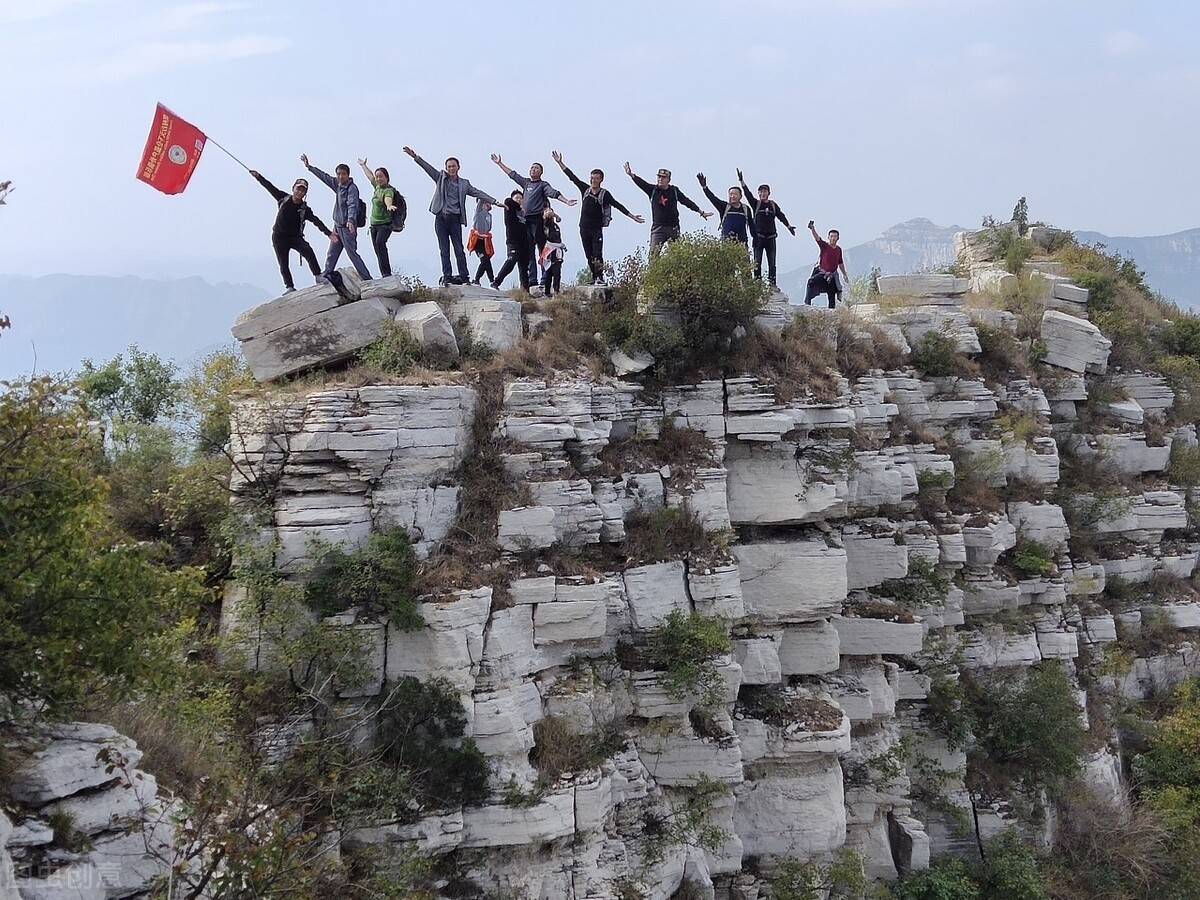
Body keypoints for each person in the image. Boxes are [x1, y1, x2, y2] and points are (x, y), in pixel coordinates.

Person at [403, 146, 501, 285]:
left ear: (458, 167)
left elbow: (477, 192)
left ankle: (464, 276)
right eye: (448, 167)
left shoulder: (464, 183)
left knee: (459, 249)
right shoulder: (440, 178)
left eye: (453, 166)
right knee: (444, 249)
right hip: (441, 218)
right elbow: (427, 168)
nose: (451, 169)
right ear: (446, 168)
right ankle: (447, 276)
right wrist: (415, 157)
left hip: (455, 219)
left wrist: (495, 202)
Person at [551, 150, 644, 284]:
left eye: (596, 178)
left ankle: (600, 277)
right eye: (592, 178)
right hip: (583, 227)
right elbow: (572, 177)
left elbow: (618, 205)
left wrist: (632, 216)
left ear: (601, 179)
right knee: (589, 255)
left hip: (596, 229)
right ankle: (594, 277)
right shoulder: (585, 189)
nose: (593, 180)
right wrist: (560, 163)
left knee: (597, 254)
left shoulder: (605, 194)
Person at [490, 154, 577, 286]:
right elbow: (513, 175)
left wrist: (566, 201)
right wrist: (499, 163)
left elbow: (553, 193)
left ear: (541, 172)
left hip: (538, 220)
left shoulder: (542, 185)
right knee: (528, 251)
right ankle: (532, 280)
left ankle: (545, 279)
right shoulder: (526, 183)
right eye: (532, 168)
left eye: (536, 168)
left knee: (542, 250)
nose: (533, 170)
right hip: (526, 221)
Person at [249, 168, 332, 293]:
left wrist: (329, 234)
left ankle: (318, 276)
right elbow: (270, 187)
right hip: (279, 236)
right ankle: (289, 287)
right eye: (298, 188)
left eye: (303, 190)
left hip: (295, 237)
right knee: (283, 263)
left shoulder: (304, 209)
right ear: (293, 188)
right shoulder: (283, 198)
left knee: (308, 251)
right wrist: (259, 177)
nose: (300, 192)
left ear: (305, 193)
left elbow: (316, 221)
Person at [300, 155, 372, 283]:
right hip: (337, 226)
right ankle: (326, 275)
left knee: (352, 254)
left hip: (347, 227)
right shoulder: (337, 185)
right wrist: (309, 167)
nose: (340, 177)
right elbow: (324, 177)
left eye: (343, 174)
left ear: (348, 175)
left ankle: (367, 278)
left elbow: (352, 204)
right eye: (338, 174)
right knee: (332, 253)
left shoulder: (352, 188)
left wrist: (350, 220)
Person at [624, 162, 712, 254]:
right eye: (659, 177)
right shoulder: (653, 190)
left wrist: (700, 212)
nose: (660, 179)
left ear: (668, 180)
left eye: (663, 177)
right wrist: (631, 175)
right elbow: (642, 183)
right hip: (658, 228)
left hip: (673, 228)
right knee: (653, 256)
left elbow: (687, 202)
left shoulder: (674, 191)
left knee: (676, 256)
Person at [737, 169, 796, 286]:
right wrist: (742, 182)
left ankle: (772, 285)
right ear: (758, 193)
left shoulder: (773, 205)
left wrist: (788, 226)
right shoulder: (756, 204)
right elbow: (748, 195)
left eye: (765, 191)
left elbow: (781, 215)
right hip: (758, 238)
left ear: (769, 193)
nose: (763, 193)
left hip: (771, 238)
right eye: (760, 192)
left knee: (772, 263)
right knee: (757, 262)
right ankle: (757, 285)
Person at [357, 158, 400, 277]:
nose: (378, 178)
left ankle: (387, 274)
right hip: (374, 225)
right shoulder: (377, 187)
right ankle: (384, 273)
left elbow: (388, 199)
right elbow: (370, 176)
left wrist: (389, 206)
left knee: (380, 243)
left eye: (381, 176)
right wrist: (363, 166)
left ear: (387, 177)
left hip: (385, 225)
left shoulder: (388, 190)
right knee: (378, 250)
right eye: (378, 177)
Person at [697, 173, 754, 247]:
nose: (732, 196)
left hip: (742, 244)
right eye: (730, 194)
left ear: (740, 196)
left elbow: (752, 225)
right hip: (727, 245)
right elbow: (713, 198)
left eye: (735, 194)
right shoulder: (724, 207)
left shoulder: (746, 209)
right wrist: (705, 187)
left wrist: (756, 239)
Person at [492, 190, 531, 292]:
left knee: (524, 268)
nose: (519, 200)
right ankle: (496, 282)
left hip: (524, 244)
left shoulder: (524, 214)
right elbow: (508, 201)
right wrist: (518, 205)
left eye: (521, 198)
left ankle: (525, 291)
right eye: (517, 198)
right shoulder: (509, 208)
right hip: (513, 241)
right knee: (511, 261)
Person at [804, 220, 849, 308]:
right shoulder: (825, 246)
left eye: (835, 236)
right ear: (828, 237)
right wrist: (812, 228)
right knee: (811, 282)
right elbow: (817, 238)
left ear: (838, 238)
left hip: (832, 276)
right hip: (822, 274)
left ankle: (832, 313)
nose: (833, 238)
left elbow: (840, 262)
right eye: (831, 236)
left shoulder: (838, 249)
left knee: (832, 294)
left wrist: (844, 274)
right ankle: (807, 305)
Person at [468, 198, 497, 286]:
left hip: (485, 241)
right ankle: (477, 279)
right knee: (484, 260)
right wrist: (482, 198)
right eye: (484, 203)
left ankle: (492, 281)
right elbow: (479, 203)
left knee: (487, 261)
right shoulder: (478, 213)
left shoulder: (489, 216)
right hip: (477, 242)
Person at [539, 207, 567, 295]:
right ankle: (547, 292)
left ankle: (556, 291)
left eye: (551, 210)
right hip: (548, 251)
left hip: (557, 252)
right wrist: (547, 216)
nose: (549, 212)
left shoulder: (555, 226)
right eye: (546, 211)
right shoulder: (544, 225)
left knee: (557, 272)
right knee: (548, 272)